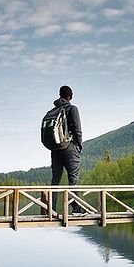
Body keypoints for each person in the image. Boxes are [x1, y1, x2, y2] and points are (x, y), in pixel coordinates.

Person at [50, 85, 84, 214]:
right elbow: (77, 130)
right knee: (73, 179)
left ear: (60, 94)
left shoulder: (53, 111)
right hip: (70, 148)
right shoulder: (72, 109)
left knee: (55, 180)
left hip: (55, 148)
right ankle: (76, 208)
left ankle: (51, 209)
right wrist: (78, 145)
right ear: (71, 95)